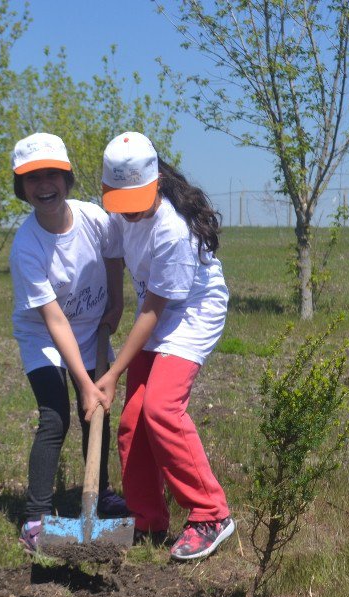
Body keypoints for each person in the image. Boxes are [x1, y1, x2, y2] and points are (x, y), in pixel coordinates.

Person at [95, 131, 235, 561]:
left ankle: (211, 513)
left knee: (160, 409)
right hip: (152, 310)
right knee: (133, 421)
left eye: (137, 200)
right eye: (120, 201)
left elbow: (155, 311)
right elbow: (115, 253)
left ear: (155, 183)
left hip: (192, 313)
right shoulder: (123, 208)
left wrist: (113, 372)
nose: (129, 211)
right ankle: (146, 518)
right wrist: (115, 302)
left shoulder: (173, 230)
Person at [8, 132, 129, 553]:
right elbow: (54, 319)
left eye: (52, 175)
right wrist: (82, 381)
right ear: (21, 188)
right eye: (32, 178)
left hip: (92, 327)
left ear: (68, 177)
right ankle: (36, 517)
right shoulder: (27, 246)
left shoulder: (94, 218)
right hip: (44, 335)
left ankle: (102, 492)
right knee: (56, 416)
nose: (44, 186)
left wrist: (115, 303)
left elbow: (113, 257)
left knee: (98, 413)